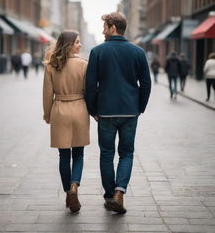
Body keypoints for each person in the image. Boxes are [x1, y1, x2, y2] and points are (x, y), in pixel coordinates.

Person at [85, 12, 151, 214]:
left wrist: (93, 110)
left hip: (105, 112)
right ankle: (119, 192)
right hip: (130, 111)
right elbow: (146, 83)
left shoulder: (97, 52)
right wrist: (139, 107)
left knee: (106, 154)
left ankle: (109, 195)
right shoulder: (138, 52)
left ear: (113, 27)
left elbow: (90, 85)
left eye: (105, 26)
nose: (103, 30)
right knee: (126, 153)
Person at [43, 30, 90, 213]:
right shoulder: (83, 65)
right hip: (79, 109)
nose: (80, 45)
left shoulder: (51, 65)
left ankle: (67, 193)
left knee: (64, 156)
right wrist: (93, 112)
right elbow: (89, 91)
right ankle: (74, 187)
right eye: (77, 42)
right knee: (78, 154)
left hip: (60, 110)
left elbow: (47, 94)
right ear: (69, 44)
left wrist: (47, 114)